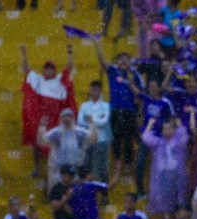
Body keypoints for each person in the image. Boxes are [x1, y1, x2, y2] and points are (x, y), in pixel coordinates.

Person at [21, 44, 76, 179]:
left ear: (54, 71)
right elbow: (26, 70)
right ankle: (37, 168)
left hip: (56, 119)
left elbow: (69, 68)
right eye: (47, 69)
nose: (49, 71)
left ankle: (58, 170)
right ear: (43, 71)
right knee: (36, 142)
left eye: (51, 69)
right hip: (41, 119)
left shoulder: (59, 81)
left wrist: (70, 53)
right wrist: (24, 54)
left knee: (56, 145)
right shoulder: (38, 81)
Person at [93, 40, 143, 182]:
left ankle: (128, 164)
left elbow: (139, 96)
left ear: (130, 63)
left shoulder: (135, 76)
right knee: (115, 138)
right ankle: (117, 163)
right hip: (114, 110)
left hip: (129, 111)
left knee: (128, 138)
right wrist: (97, 44)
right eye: (121, 61)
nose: (123, 63)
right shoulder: (113, 71)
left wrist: (130, 82)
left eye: (126, 61)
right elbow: (102, 61)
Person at [142, 117, 190, 219]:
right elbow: (146, 137)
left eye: (170, 128)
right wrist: (150, 123)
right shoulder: (159, 143)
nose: (167, 131)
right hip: (163, 176)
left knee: (178, 202)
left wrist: (179, 124)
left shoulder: (179, 142)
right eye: (165, 129)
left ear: (174, 129)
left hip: (177, 175)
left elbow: (185, 136)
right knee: (165, 204)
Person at [37, 108, 96, 191]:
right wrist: (42, 127)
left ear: (73, 118)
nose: (66, 119)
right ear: (61, 119)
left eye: (69, 116)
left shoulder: (79, 132)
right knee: (58, 196)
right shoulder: (56, 132)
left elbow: (93, 138)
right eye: (64, 116)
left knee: (74, 197)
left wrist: (92, 123)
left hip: (75, 172)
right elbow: (41, 141)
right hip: (58, 172)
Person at [78, 80, 112, 190]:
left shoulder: (106, 106)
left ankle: (104, 195)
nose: (94, 92)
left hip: (102, 140)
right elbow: (80, 122)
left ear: (100, 91)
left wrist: (91, 119)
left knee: (102, 167)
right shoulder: (84, 105)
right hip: (88, 140)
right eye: (92, 90)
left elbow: (105, 122)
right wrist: (98, 118)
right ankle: (87, 192)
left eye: (96, 90)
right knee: (87, 167)